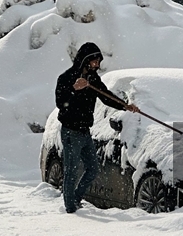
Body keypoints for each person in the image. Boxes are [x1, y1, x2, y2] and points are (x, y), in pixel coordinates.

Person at [55, 43, 139, 213]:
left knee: (92, 169)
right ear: (85, 60)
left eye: (98, 61)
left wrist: (125, 106)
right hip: (71, 131)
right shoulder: (66, 78)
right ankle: (70, 208)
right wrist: (74, 89)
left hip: (85, 131)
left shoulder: (93, 79)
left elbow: (106, 96)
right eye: (95, 61)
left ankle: (76, 199)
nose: (97, 65)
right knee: (71, 171)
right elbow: (60, 103)